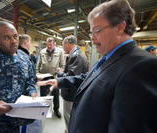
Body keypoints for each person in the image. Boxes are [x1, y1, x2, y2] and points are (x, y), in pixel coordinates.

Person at [37, 0, 157, 133]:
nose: (92, 38)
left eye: (97, 31)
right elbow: (88, 78)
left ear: (120, 27)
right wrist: (59, 81)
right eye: (91, 33)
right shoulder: (110, 57)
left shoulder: (141, 67)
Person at [57, 35, 88, 133]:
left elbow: (72, 77)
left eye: (63, 45)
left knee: (69, 117)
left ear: (67, 43)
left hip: (71, 94)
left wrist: (60, 73)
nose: (62, 48)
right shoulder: (76, 54)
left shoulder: (76, 55)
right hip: (73, 93)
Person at [36, 37, 65, 118]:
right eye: (47, 45)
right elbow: (38, 63)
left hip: (54, 76)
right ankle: (43, 110)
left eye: (50, 45)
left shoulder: (60, 51)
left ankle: (56, 110)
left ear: (54, 44)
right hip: (43, 76)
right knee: (43, 94)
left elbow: (63, 65)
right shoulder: (42, 51)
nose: (49, 46)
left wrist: (61, 70)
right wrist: (37, 73)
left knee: (55, 95)